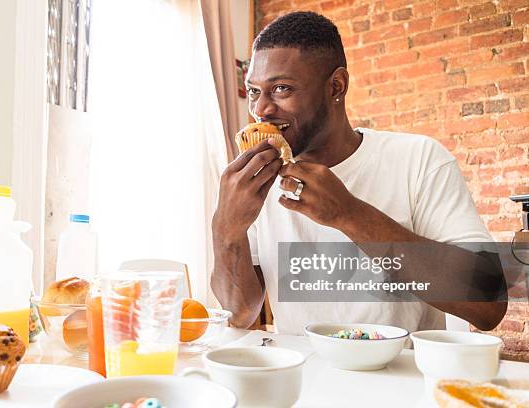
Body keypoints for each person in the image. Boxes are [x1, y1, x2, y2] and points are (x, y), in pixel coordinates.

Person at [211, 11, 507, 335]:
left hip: (403, 380)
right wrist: (226, 229)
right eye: (254, 91)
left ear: (336, 85)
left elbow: (488, 304)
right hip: (301, 381)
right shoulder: (257, 185)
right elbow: (239, 314)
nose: (261, 109)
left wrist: (348, 214)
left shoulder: (419, 160)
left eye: (281, 88)